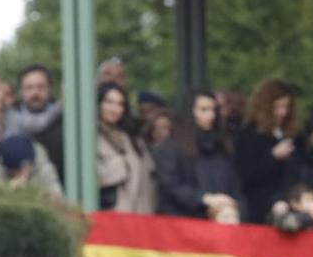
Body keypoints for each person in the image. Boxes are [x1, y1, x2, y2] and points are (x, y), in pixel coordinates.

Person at [152, 89, 244, 221]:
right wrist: (205, 199)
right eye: (203, 110)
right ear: (189, 112)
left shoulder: (222, 146)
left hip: (223, 223)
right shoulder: (170, 148)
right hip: (183, 226)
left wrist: (234, 208)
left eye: (213, 110)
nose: (211, 115)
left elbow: (236, 187)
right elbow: (171, 187)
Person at [236, 76, 299, 220]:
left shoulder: (291, 133)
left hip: (289, 205)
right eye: (277, 107)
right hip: (260, 208)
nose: (282, 112)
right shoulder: (250, 133)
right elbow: (245, 174)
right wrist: (272, 156)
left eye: (286, 107)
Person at [95, 81, 155, 212]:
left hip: (139, 216)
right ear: (99, 103)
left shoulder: (133, 138)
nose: (114, 109)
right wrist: (120, 165)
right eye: (109, 102)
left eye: (120, 104)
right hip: (109, 217)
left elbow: (148, 181)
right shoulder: (90, 139)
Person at [7, 63, 66, 184]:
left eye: (40, 87)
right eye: (29, 87)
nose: (35, 93)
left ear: (49, 89)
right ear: (21, 91)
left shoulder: (65, 121)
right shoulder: (8, 123)